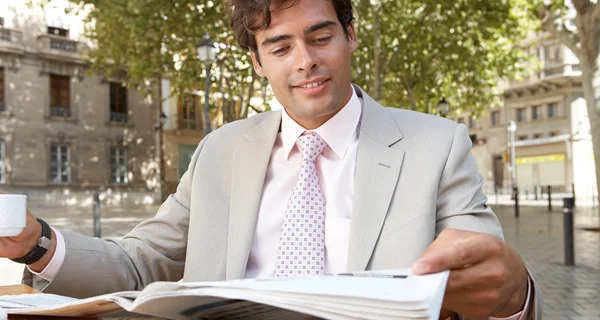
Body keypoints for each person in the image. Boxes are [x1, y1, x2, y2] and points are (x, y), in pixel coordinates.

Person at [0, 0, 540, 318]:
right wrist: (36, 243)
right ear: (258, 62)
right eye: (281, 47)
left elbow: (484, 274)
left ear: (350, 36)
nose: (306, 62)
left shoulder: (439, 144)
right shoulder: (218, 151)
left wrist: (515, 292)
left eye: (320, 36)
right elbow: (141, 264)